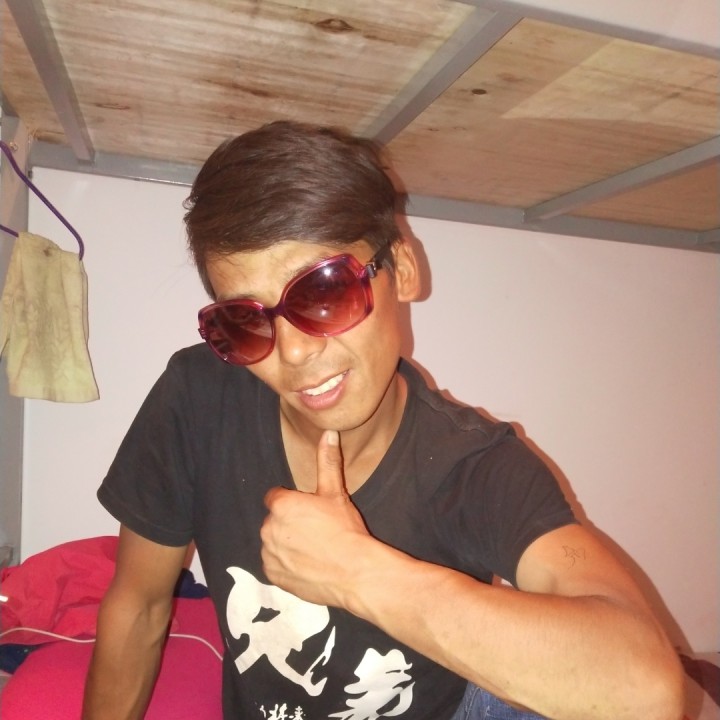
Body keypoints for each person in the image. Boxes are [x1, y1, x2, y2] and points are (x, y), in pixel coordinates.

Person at [82, 121, 684, 720]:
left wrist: (360, 574)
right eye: (244, 321)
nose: (293, 351)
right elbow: (139, 606)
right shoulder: (200, 397)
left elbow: (647, 693)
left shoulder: (474, 465)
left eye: (323, 292)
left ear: (403, 268)